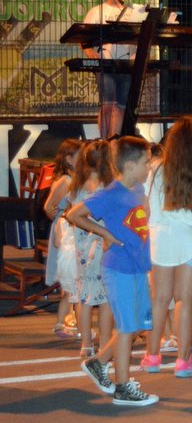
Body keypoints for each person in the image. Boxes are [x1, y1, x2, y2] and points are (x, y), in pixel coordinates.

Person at [69, 136, 159, 406]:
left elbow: (140, 222)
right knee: (127, 327)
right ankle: (122, 387)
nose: (149, 167)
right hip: (119, 268)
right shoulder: (111, 193)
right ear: (130, 165)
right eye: (145, 162)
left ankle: (98, 363)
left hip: (137, 266)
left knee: (137, 326)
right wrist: (105, 234)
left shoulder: (138, 189)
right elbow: (74, 214)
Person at [141, 117, 192, 378]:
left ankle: (152, 356)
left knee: (159, 299)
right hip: (190, 239)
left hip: (159, 238)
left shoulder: (156, 170)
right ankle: (183, 360)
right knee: (184, 300)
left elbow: (145, 207)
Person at [59, 140, 116, 359]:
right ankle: (105, 344)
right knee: (105, 298)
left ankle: (86, 344)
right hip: (103, 243)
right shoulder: (108, 187)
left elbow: (69, 213)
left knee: (84, 296)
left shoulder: (78, 185)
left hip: (81, 246)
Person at [83, 0, 144, 138]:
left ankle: (115, 139)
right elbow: (82, 36)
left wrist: (136, 55)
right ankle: (105, 140)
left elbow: (139, 39)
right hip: (105, 64)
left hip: (126, 65)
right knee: (108, 104)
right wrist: (90, 52)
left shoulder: (131, 13)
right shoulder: (97, 11)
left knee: (122, 105)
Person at [43, 138, 84, 339]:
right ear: (69, 159)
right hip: (65, 229)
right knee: (69, 276)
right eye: (80, 156)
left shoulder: (74, 179)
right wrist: (60, 217)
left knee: (72, 279)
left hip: (70, 227)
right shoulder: (65, 181)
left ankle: (69, 320)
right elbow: (48, 206)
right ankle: (67, 321)